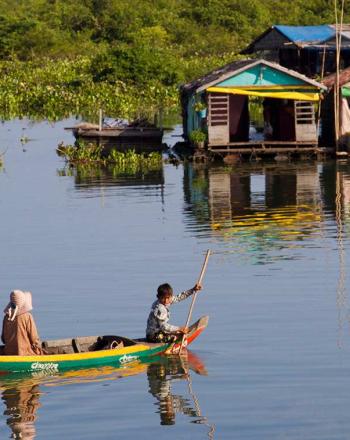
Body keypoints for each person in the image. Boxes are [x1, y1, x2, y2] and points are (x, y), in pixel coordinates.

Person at [2, 290, 45, 356]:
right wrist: (38, 348)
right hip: (24, 353)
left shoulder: (6, 317)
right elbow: (34, 339)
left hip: (8, 353)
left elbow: (3, 339)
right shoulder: (27, 316)